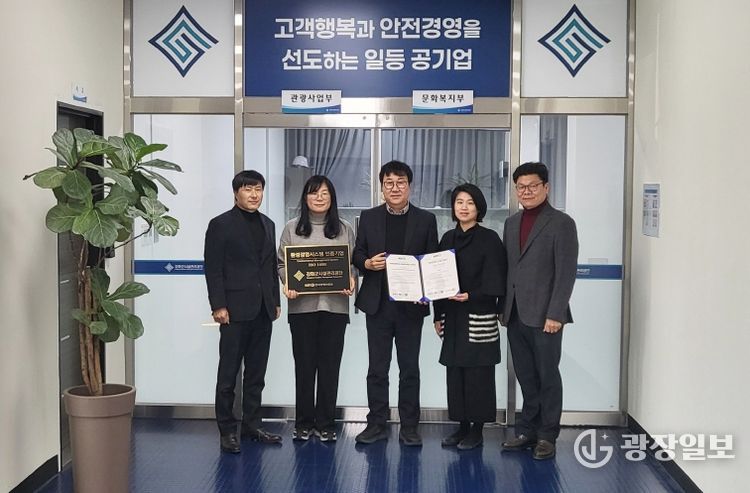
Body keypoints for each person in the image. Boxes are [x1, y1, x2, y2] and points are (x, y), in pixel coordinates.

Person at [353, 160, 438, 447]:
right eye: (389, 183)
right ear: (382, 188)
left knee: (409, 369)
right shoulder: (369, 217)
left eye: (401, 182)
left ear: (410, 186)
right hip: (377, 304)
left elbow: (432, 261)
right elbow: (357, 253)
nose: (395, 188)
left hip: (410, 306)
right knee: (377, 369)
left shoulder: (426, 220)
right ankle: (376, 423)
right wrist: (367, 263)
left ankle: (409, 427)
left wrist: (425, 291)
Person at [500, 162, 578, 460]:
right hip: (515, 314)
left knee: (547, 376)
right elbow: (510, 269)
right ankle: (527, 430)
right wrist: (503, 308)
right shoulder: (511, 223)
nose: (527, 191)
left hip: (546, 316)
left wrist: (556, 313)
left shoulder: (561, 223)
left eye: (533, 186)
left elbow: (565, 272)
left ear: (546, 187)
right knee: (526, 376)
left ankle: (547, 435)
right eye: (521, 187)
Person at [204, 170, 282, 454]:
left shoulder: (268, 224)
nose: (254, 194)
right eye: (248, 189)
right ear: (236, 192)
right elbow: (213, 268)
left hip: (263, 310)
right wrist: (218, 305)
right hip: (234, 311)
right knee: (228, 375)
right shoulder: (220, 224)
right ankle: (227, 430)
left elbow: (270, 267)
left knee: (256, 374)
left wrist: (275, 301)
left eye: (258, 189)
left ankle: (252, 425)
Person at [277, 175, 356, 442]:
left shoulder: (344, 228)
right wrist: (288, 282)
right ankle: (303, 423)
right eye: (313, 193)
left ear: (332, 197)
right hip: (301, 309)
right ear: (305, 198)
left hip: (335, 308)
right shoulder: (292, 228)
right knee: (304, 366)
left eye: (324, 193)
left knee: (330, 367)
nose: (319, 198)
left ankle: (326, 423)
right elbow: (281, 263)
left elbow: (352, 264)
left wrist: (351, 279)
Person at [433, 184, 507, 450]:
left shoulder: (489, 239)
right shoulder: (447, 239)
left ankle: (477, 430)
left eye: (470, 203)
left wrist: (471, 295)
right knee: (455, 374)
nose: (463, 207)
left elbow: (497, 281)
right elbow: (436, 280)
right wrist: (437, 315)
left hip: (479, 314)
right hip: (452, 316)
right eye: (459, 202)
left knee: (479, 375)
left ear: (479, 208)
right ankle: (462, 426)